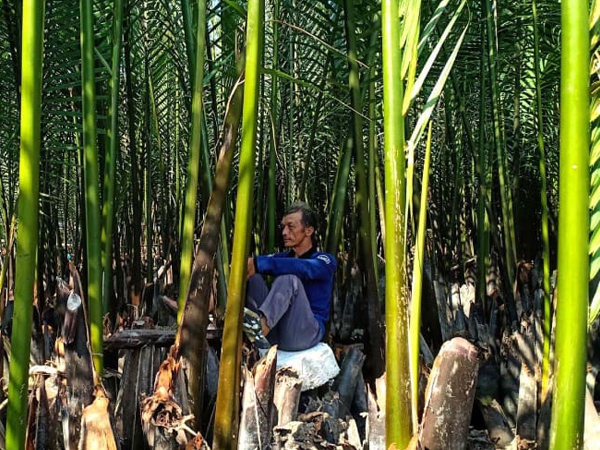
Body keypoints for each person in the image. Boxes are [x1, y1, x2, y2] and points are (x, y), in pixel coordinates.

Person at [245, 202, 337, 351]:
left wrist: (259, 263)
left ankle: (259, 332)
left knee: (288, 279)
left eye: (291, 226)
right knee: (252, 276)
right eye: (284, 227)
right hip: (278, 333)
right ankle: (227, 320)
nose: (284, 232)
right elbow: (263, 264)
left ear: (308, 230)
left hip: (304, 334)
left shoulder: (325, 260)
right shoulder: (283, 257)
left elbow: (306, 268)